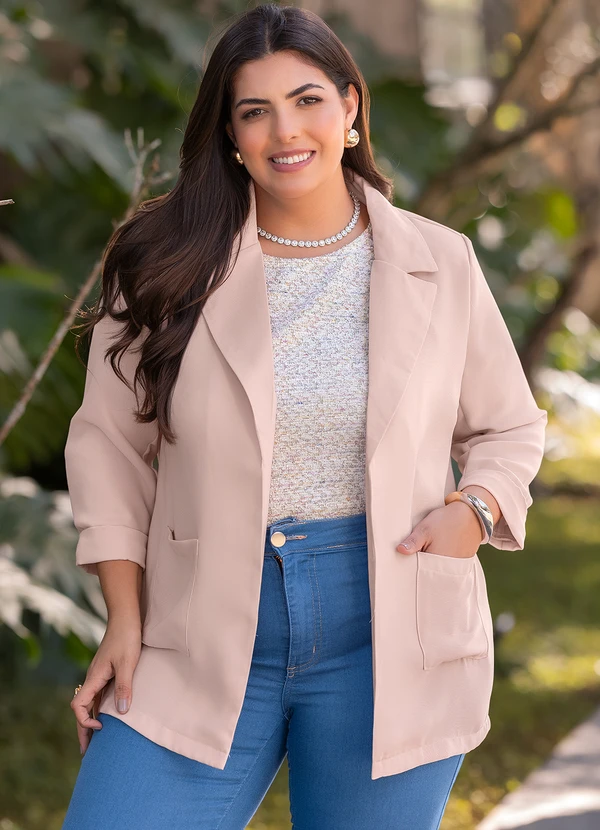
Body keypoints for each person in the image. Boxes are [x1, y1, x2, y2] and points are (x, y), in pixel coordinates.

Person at [61, 4, 547, 829]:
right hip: (198, 622)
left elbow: (509, 424)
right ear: (230, 134)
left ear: (350, 108)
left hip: (389, 625)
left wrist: (476, 509)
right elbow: (107, 444)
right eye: (255, 110)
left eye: (308, 100)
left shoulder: (441, 260)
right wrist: (124, 617)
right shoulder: (161, 263)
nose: (286, 131)